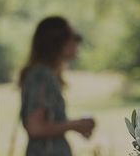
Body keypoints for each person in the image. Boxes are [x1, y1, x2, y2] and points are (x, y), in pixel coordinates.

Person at [19, 16, 95, 156]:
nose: (77, 42)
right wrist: (74, 125)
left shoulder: (46, 74)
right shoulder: (40, 75)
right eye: (74, 37)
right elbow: (35, 127)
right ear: (57, 42)